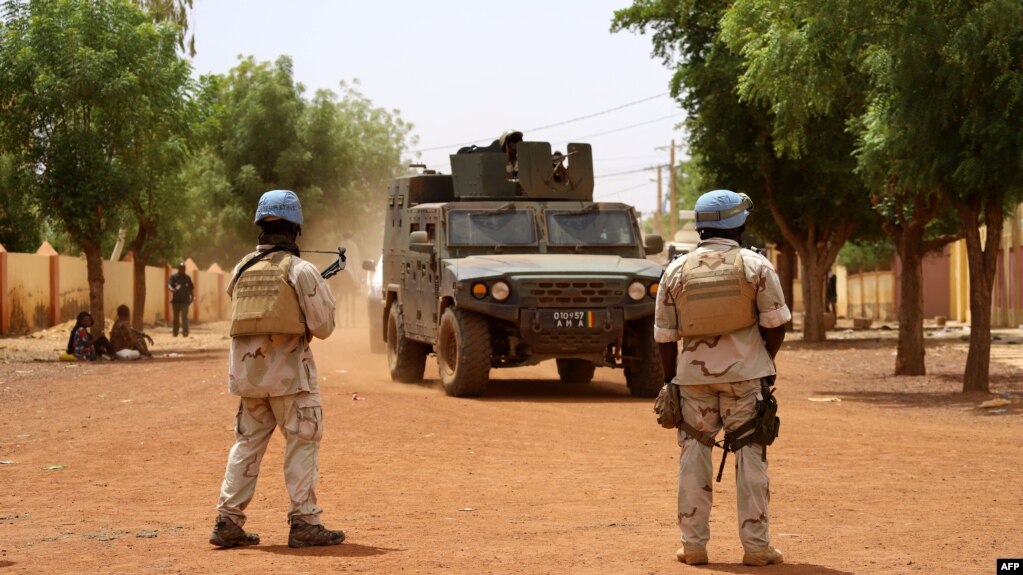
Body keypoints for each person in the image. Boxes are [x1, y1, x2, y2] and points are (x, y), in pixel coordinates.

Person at [654, 189, 791, 567]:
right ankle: (757, 549)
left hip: (692, 381)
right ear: (738, 223)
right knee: (751, 460)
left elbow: (664, 336)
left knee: (693, 457)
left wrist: (671, 381)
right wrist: (764, 361)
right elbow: (777, 324)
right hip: (746, 379)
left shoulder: (676, 270)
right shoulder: (755, 266)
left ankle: (693, 546)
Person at [210, 189, 344, 549]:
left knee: (246, 446)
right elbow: (324, 328)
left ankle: (227, 521)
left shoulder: (240, 269)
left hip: (247, 379)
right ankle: (304, 522)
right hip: (290, 379)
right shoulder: (301, 270)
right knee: (302, 444)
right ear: (295, 228)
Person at [168, 262, 194, 337]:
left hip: (185, 301)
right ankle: (175, 332)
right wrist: (171, 289)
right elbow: (169, 284)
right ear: (178, 269)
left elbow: (191, 288)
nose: (182, 270)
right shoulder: (174, 277)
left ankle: (185, 332)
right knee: (176, 318)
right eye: (181, 269)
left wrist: (192, 297)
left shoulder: (187, 278)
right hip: (176, 301)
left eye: (183, 269)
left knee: (184, 317)